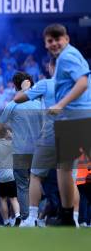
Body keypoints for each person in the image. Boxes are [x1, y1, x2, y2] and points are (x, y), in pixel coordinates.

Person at [42, 24, 91, 226]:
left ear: (67, 39)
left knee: (64, 168)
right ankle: (67, 216)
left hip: (73, 117)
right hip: (78, 117)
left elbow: (82, 83)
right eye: (50, 40)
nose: (54, 43)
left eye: (57, 39)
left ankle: (67, 216)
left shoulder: (68, 56)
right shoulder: (70, 55)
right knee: (65, 168)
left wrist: (60, 104)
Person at [0, 72, 42, 223]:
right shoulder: (40, 101)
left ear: (15, 85)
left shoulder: (13, 104)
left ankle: (26, 218)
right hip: (40, 149)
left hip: (21, 150)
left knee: (22, 185)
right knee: (38, 182)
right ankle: (38, 217)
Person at [14, 58, 57, 226]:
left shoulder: (45, 85)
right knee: (65, 179)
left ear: (50, 66)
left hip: (44, 140)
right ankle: (73, 218)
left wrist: (26, 88)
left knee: (35, 176)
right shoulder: (78, 85)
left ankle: (31, 218)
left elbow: (18, 99)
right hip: (71, 134)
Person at [0, 125, 21, 226]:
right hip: (12, 175)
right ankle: (17, 215)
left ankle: (6, 221)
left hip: (0, 176)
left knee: (3, 199)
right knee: (13, 198)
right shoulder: (12, 144)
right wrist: (10, 135)